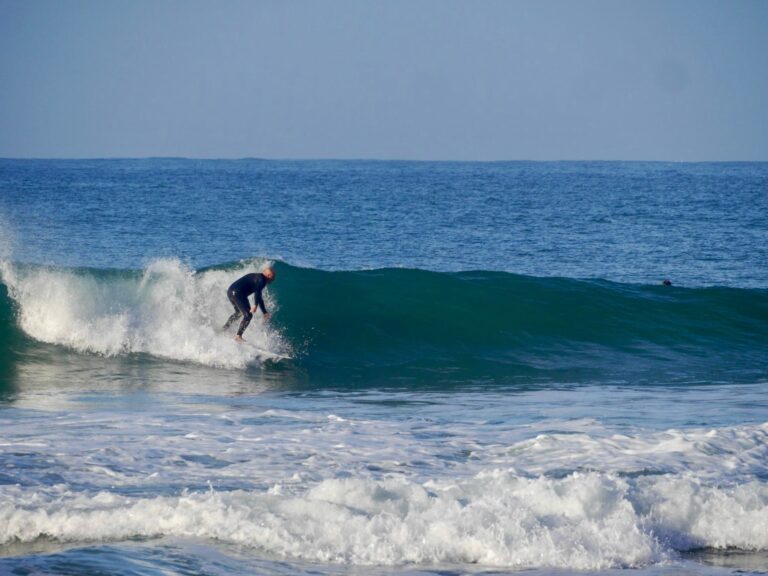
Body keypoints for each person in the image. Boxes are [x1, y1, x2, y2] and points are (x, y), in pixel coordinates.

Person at [223, 267, 276, 341]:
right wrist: (255, 305)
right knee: (248, 315)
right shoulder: (262, 280)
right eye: (273, 277)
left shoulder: (257, 277)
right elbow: (257, 293)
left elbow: (259, 297)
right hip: (238, 294)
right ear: (269, 275)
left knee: (239, 312)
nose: (274, 279)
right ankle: (238, 336)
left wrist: (264, 312)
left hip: (230, 292)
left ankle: (225, 328)